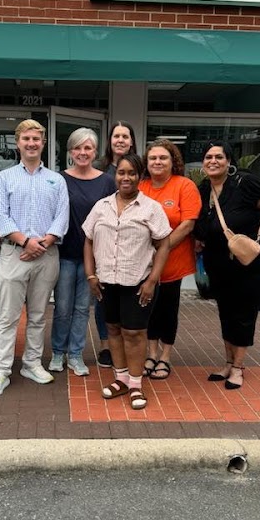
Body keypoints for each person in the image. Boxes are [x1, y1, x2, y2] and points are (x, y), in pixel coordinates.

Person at [0, 119, 69, 397]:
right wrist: (26, 242)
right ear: (17, 143)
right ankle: (1, 370)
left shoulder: (56, 180)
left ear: (43, 143)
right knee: (8, 316)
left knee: (38, 315)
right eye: (26, 139)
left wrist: (43, 243)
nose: (31, 143)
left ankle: (32, 364)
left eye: (36, 139)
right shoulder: (4, 178)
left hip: (47, 254)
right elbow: (0, 216)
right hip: (14, 253)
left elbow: (62, 216)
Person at [83, 154, 171, 410]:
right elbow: (88, 240)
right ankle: (120, 379)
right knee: (113, 329)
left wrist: (152, 280)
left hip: (138, 282)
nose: (126, 177)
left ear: (140, 176)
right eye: (121, 172)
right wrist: (90, 275)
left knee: (134, 333)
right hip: (107, 282)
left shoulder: (151, 208)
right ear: (115, 175)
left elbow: (164, 244)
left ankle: (135, 384)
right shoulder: (101, 206)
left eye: (132, 173)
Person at [194, 141, 260, 390]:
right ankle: (227, 362)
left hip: (250, 259)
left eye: (219, 157)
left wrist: (253, 235)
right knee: (226, 310)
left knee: (244, 311)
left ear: (229, 161)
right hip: (219, 260)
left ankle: (238, 367)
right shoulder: (204, 189)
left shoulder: (246, 183)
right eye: (208, 157)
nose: (213, 161)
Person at [49, 128, 116, 377]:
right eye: (77, 147)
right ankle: (58, 352)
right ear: (70, 151)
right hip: (65, 254)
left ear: (95, 151)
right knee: (62, 308)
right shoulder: (59, 179)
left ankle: (75, 355)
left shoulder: (107, 182)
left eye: (87, 147)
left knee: (81, 309)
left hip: (93, 258)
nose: (82, 152)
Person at [139, 138, 202, 380]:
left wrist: (160, 250)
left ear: (172, 161)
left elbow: (187, 224)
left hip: (173, 262)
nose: (157, 162)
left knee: (167, 309)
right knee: (148, 309)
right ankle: (151, 354)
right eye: (153, 158)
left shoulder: (184, 186)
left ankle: (165, 356)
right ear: (147, 162)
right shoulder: (141, 186)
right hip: (144, 263)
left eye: (163, 157)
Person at [94, 121, 138, 368]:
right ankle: (106, 346)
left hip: (130, 244)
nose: (120, 140)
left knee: (128, 298)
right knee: (104, 297)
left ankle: (126, 345)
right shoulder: (98, 168)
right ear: (109, 141)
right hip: (104, 242)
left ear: (131, 141)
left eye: (125, 136)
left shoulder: (139, 167)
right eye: (116, 136)